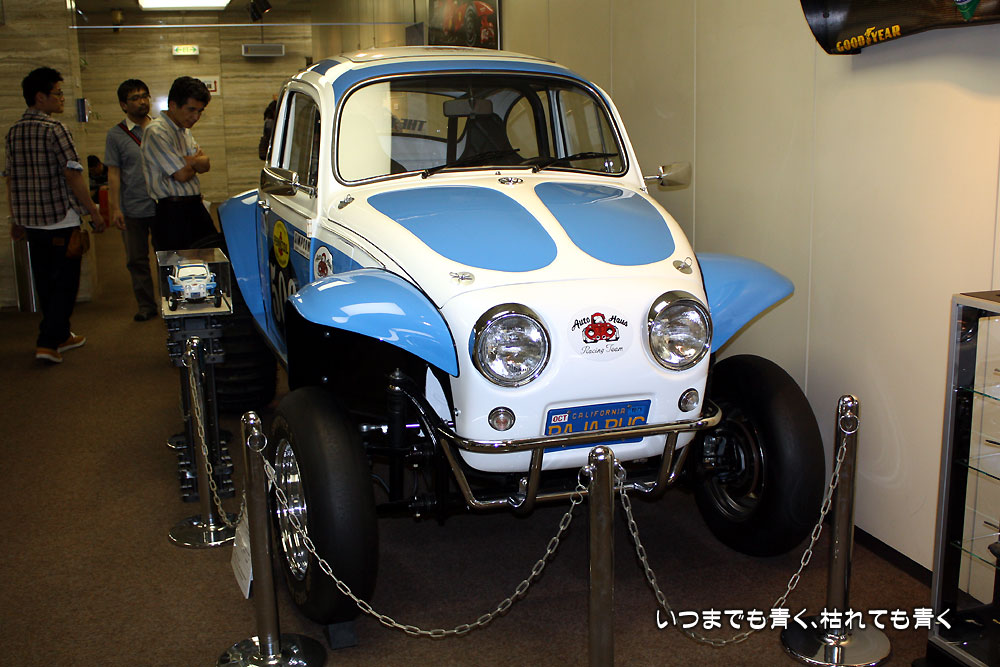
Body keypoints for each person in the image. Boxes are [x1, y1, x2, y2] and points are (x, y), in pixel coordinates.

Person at [4, 66, 106, 364]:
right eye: (58, 93)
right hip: (61, 218)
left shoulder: (14, 132)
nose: (62, 99)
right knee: (65, 283)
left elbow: (10, 178)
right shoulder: (55, 129)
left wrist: (15, 219)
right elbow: (73, 175)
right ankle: (47, 343)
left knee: (46, 282)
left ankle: (60, 335)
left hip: (31, 221)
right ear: (40, 97)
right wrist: (93, 211)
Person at [140, 75, 215, 252]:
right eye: (191, 109)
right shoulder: (157, 131)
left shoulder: (184, 131)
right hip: (172, 211)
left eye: (200, 111)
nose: (195, 117)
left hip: (195, 206)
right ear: (173, 105)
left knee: (211, 256)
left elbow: (205, 165)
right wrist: (193, 162)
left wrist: (191, 162)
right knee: (177, 263)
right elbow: (181, 175)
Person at [105, 79, 158, 321]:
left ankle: (172, 302)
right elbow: (114, 173)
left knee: (167, 256)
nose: (142, 101)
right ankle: (146, 305)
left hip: (162, 205)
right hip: (132, 208)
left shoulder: (159, 129)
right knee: (136, 260)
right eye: (135, 98)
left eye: (145, 96)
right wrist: (115, 208)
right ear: (123, 105)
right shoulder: (115, 135)